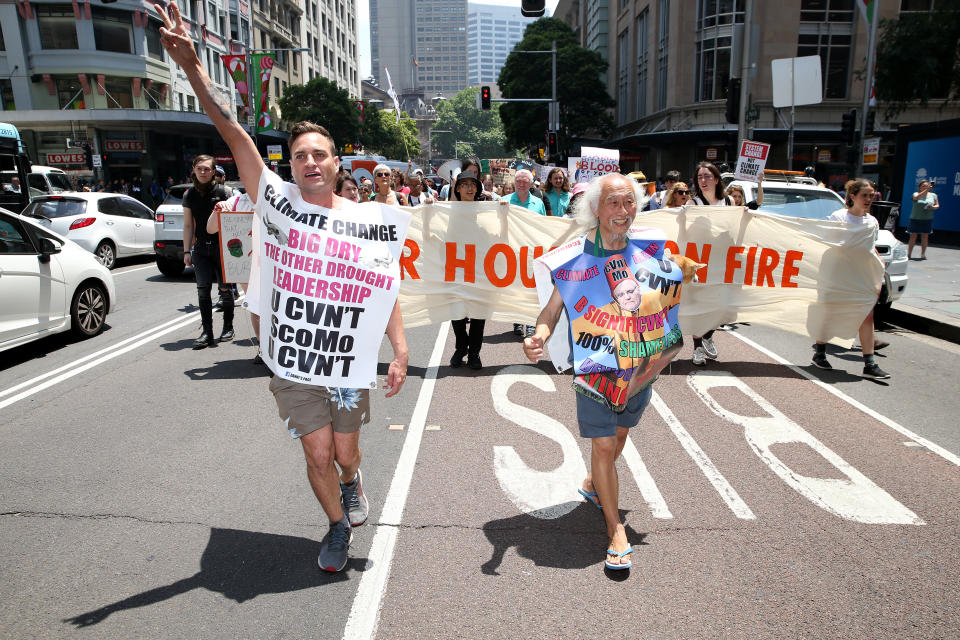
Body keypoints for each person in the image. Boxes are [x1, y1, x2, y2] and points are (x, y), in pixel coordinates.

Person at [156, 0, 409, 572]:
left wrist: (398, 347)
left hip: (345, 357)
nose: (310, 162)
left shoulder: (367, 218)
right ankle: (337, 527)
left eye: (320, 154)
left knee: (344, 452)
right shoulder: (273, 197)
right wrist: (194, 68)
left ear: (338, 163)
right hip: (294, 356)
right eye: (299, 156)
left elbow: (383, 287)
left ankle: (353, 481)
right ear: (288, 165)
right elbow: (230, 127)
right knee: (315, 449)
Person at [522, 173, 694, 571]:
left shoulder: (651, 244)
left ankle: (593, 484)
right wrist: (539, 336)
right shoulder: (570, 258)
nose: (623, 211)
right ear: (595, 209)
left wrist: (682, 272)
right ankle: (615, 529)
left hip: (642, 365)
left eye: (629, 202)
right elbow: (551, 310)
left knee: (619, 436)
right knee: (603, 446)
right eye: (613, 204)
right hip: (596, 369)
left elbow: (669, 278)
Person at [812, 178, 890, 379]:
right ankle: (819, 353)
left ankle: (869, 363)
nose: (868, 199)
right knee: (829, 315)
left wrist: (880, 272)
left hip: (861, 277)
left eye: (871, 195)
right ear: (853, 196)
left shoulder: (872, 222)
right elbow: (831, 243)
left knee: (867, 315)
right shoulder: (839, 217)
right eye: (864, 195)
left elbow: (870, 249)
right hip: (838, 275)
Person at [182, 154, 233, 348]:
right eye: (199, 168)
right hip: (201, 248)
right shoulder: (189, 195)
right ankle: (207, 332)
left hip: (224, 248)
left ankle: (228, 326)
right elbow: (188, 225)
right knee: (202, 291)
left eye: (207, 169)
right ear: (194, 170)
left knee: (225, 289)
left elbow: (236, 220)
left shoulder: (224, 192)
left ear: (213, 171)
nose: (203, 172)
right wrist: (187, 251)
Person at [689, 161, 730, 366]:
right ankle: (697, 348)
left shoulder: (728, 202)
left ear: (716, 178)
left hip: (723, 261)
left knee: (724, 304)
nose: (703, 181)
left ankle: (708, 334)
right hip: (701, 261)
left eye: (707, 176)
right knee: (700, 304)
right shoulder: (694, 204)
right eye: (700, 177)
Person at [449, 170, 487, 369]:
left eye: (473, 184)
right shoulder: (447, 211)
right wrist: (430, 211)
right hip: (456, 269)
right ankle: (461, 347)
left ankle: (474, 353)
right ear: (457, 188)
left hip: (480, 269)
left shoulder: (486, 211)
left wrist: (504, 211)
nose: (469, 188)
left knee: (479, 313)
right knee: (457, 313)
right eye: (464, 184)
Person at [907, 179, 938, 260]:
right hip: (915, 218)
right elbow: (916, 198)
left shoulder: (933, 195)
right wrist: (927, 190)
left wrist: (932, 207)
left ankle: (923, 254)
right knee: (913, 237)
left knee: (925, 237)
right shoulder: (916, 194)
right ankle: (909, 254)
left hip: (927, 219)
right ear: (919, 187)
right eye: (923, 186)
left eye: (927, 185)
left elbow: (937, 205)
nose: (925, 187)